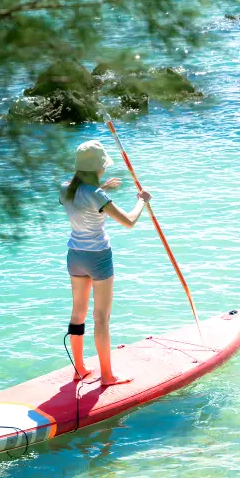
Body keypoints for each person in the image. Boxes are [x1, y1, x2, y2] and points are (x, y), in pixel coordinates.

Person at [60, 139, 151, 387]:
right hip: (98, 257)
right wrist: (142, 200)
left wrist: (101, 188)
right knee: (101, 318)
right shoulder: (97, 194)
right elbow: (129, 221)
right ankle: (107, 376)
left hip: (75, 256)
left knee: (78, 313)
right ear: (98, 167)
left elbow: (85, 198)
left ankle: (79, 369)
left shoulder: (65, 189)